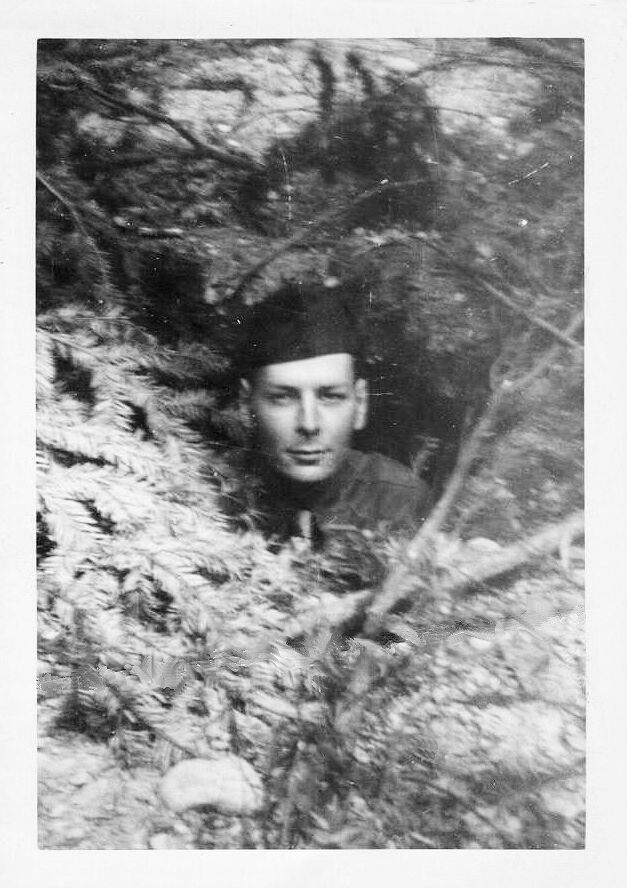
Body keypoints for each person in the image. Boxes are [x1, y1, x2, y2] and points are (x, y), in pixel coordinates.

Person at [224, 280, 432, 546]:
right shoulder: (210, 490)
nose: (309, 424)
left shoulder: (400, 499)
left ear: (360, 404)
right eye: (283, 397)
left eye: (330, 397)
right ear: (246, 406)